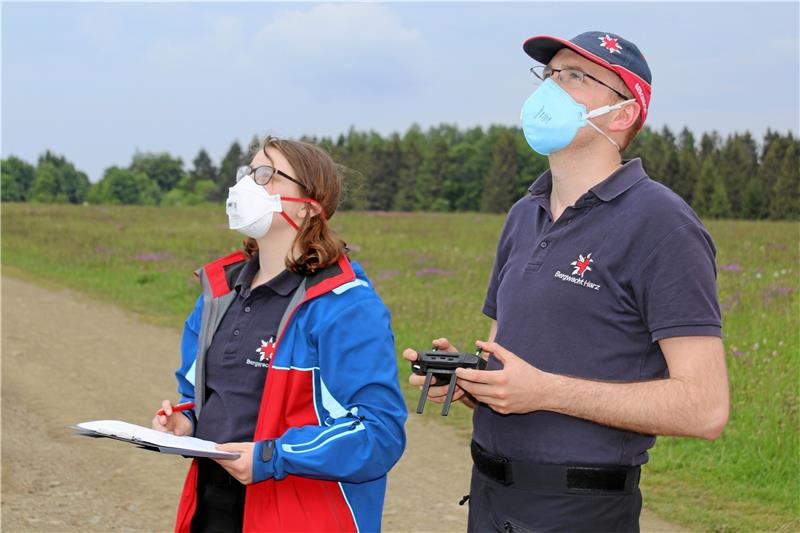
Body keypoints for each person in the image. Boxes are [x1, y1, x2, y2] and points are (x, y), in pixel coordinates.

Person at [404, 31, 730, 532]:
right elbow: (505, 350)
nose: (551, 89)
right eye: (550, 74)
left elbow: (705, 408)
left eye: (576, 76)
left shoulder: (663, 224)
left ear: (623, 114)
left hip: (580, 509)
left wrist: (546, 392)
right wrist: (478, 381)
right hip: (489, 495)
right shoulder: (523, 213)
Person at [152, 136, 407, 532]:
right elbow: (207, 397)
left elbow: (379, 434)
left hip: (303, 515)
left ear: (309, 207)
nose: (248, 185)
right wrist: (186, 422)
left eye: (267, 174)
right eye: (248, 173)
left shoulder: (346, 306)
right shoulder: (218, 294)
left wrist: (274, 456)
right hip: (213, 507)